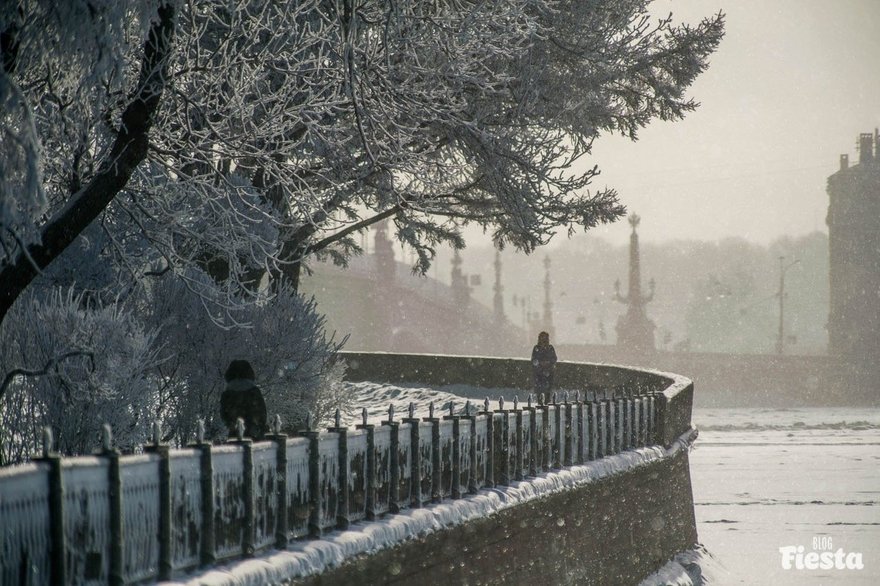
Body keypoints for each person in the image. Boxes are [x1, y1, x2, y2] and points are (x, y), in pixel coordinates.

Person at [220, 359, 267, 440]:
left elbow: (224, 414)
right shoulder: (254, 391)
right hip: (253, 433)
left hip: (235, 433)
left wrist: (231, 424)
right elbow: (262, 413)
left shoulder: (227, 393)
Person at [531, 331, 557, 395]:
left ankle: (546, 401)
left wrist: (548, 363)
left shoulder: (550, 348)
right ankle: (540, 402)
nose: (544, 340)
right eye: (542, 338)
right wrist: (540, 363)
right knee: (539, 390)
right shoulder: (536, 348)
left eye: (545, 338)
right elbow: (533, 359)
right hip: (539, 372)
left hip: (549, 372)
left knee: (548, 390)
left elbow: (554, 358)